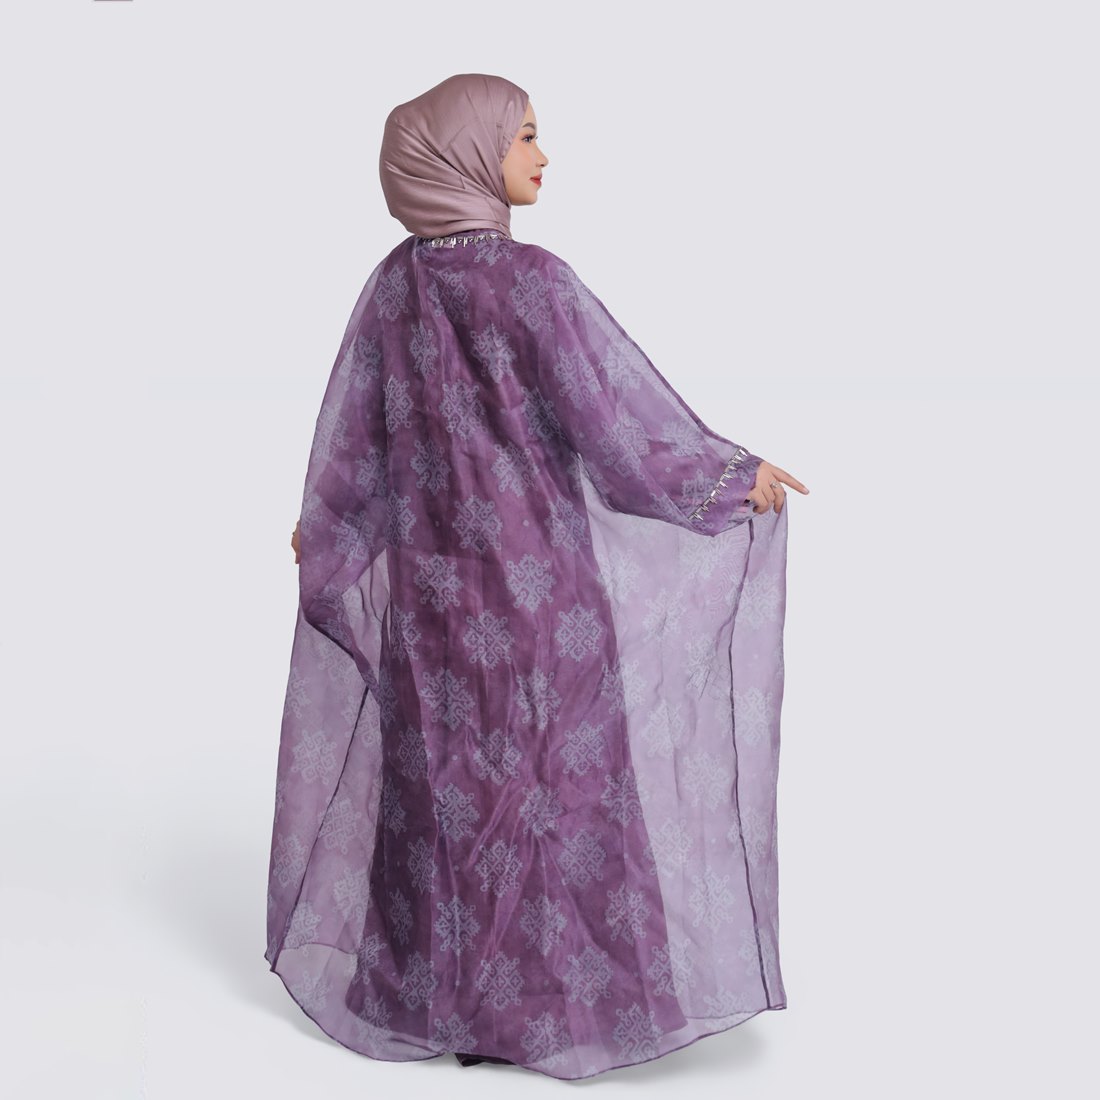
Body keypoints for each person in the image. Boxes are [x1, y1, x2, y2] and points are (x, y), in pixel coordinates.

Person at [266, 73, 807, 1080]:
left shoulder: (393, 287)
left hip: (431, 605)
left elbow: (359, 447)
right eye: (522, 136)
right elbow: (614, 434)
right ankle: (560, 1006)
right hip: (538, 599)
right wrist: (726, 476)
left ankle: (432, 998)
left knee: (445, 792)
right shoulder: (533, 283)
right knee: (552, 789)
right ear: (467, 156)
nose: (542, 155)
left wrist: (330, 532)